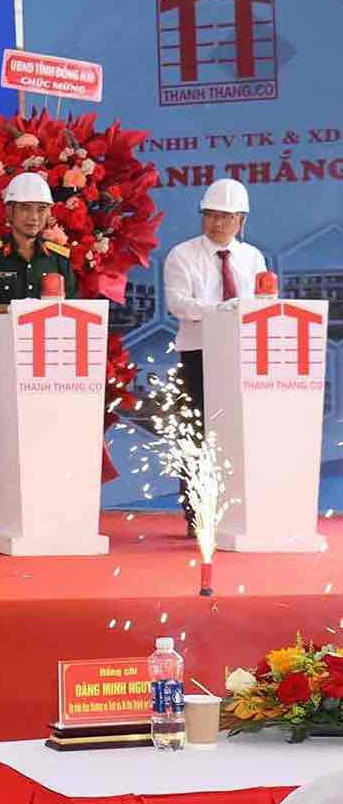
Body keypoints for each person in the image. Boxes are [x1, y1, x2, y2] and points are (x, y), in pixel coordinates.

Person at [0, 172, 77, 534]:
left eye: (40, 209)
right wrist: (13, 311)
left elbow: (70, 308)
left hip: (47, 368)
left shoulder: (58, 258)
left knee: (46, 439)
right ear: (9, 212)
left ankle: (47, 518)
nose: (32, 217)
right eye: (25, 209)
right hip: (1, 364)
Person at [163, 178, 265, 536]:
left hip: (243, 357)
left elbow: (260, 306)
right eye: (210, 215)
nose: (217, 223)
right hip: (199, 354)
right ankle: (197, 515)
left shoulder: (253, 258)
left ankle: (238, 510)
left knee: (239, 432)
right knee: (197, 433)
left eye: (225, 217)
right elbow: (178, 303)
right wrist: (223, 310)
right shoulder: (182, 254)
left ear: (241, 220)